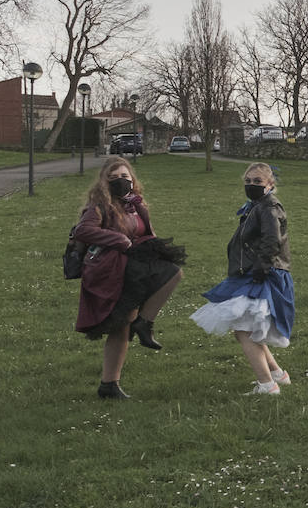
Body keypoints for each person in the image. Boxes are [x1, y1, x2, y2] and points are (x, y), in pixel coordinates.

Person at [72, 158, 185, 399]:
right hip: (113, 272)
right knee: (121, 327)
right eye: (113, 178)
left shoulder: (136, 205)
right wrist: (119, 240)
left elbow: (146, 233)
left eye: (125, 176)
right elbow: (81, 230)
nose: (121, 181)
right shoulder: (99, 207)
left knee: (173, 272)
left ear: (132, 179)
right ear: (104, 182)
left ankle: (144, 323)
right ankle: (109, 384)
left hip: (134, 268)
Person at [190, 163, 295, 395]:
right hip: (253, 272)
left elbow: (272, 240)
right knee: (249, 328)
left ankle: (267, 386)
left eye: (258, 182)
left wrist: (261, 269)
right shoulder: (257, 206)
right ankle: (278, 374)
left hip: (263, 274)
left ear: (270, 185)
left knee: (244, 329)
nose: (252, 185)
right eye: (248, 181)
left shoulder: (269, 207)